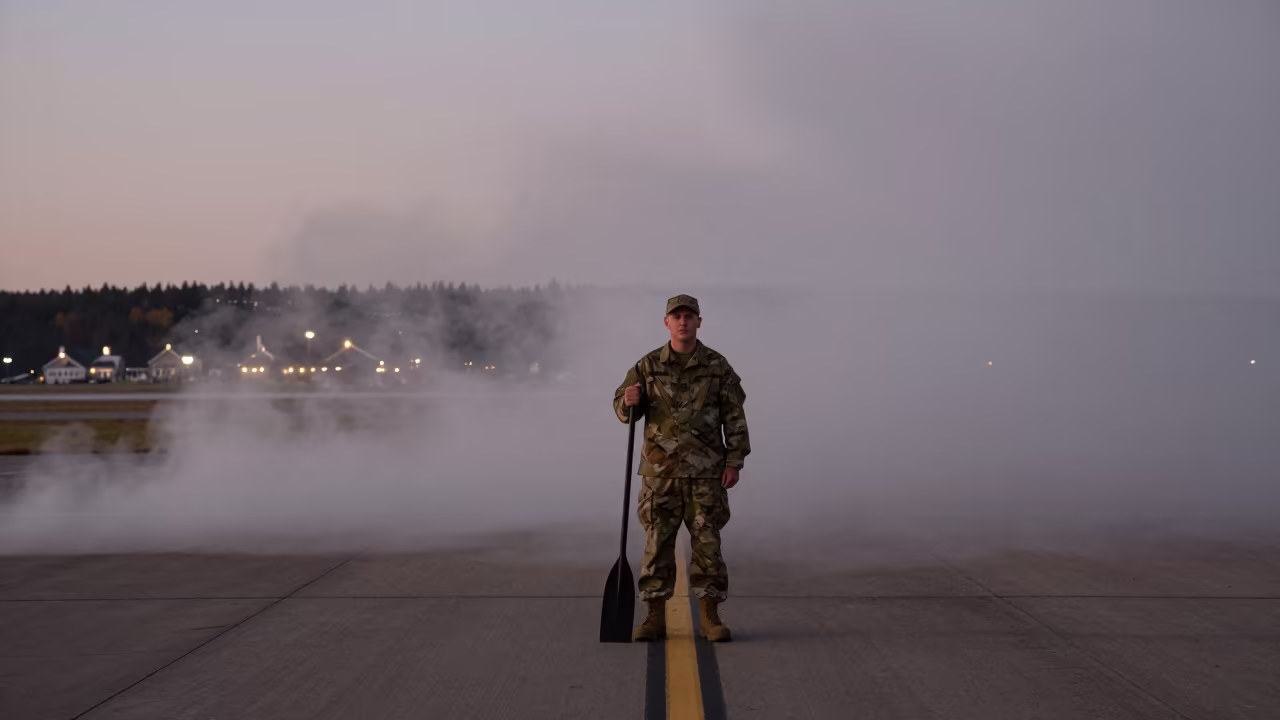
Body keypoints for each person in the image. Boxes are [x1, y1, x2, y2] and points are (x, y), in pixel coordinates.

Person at [613, 294, 750, 642]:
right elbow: (624, 408)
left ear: (699, 322)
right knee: (657, 546)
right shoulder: (647, 366)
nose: (683, 321)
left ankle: (710, 617)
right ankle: (654, 617)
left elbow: (735, 416)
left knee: (707, 547)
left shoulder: (717, 366)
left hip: (706, 475)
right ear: (666, 323)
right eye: (677, 316)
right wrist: (628, 402)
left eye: (690, 316)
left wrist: (735, 461)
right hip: (661, 476)